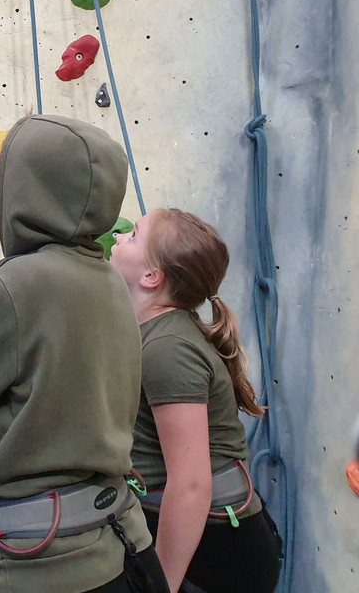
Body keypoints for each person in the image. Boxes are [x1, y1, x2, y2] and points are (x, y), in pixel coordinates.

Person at [0, 114, 168, 593]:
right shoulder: (108, 281)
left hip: (51, 562)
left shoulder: (21, 283)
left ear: (27, 191)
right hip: (122, 542)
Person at [109, 210, 282, 592]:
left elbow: (190, 484)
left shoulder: (167, 349)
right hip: (198, 540)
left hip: (218, 554)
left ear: (152, 276)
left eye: (134, 235)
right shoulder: (155, 336)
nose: (120, 237)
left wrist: (162, 585)